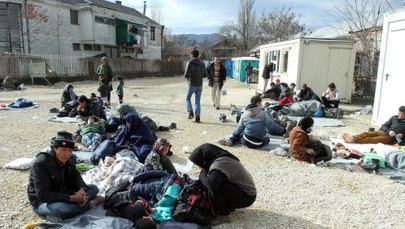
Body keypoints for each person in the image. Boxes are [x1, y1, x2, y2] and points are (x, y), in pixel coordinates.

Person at [27, 131, 100, 222]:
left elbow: (76, 175)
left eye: (69, 151)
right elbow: (43, 195)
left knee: (94, 188)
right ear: (55, 149)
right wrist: (72, 198)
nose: (66, 154)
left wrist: (82, 190)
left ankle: (81, 203)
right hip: (44, 201)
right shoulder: (41, 163)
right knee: (65, 209)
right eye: (63, 150)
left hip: (64, 191)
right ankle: (89, 204)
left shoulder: (69, 159)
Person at [189, 143, 256, 225]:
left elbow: (211, 184)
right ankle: (227, 207)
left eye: (199, 164)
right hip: (243, 192)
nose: (199, 167)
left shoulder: (219, 163)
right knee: (214, 181)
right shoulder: (221, 158)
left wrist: (202, 173)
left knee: (214, 186)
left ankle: (222, 215)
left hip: (247, 197)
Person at [184, 49, 208, 123]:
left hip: (192, 84)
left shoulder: (189, 62)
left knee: (187, 98)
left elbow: (186, 75)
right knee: (197, 101)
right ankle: (197, 117)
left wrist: (188, 77)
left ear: (192, 55)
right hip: (200, 84)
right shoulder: (202, 63)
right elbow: (205, 75)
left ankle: (190, 111)